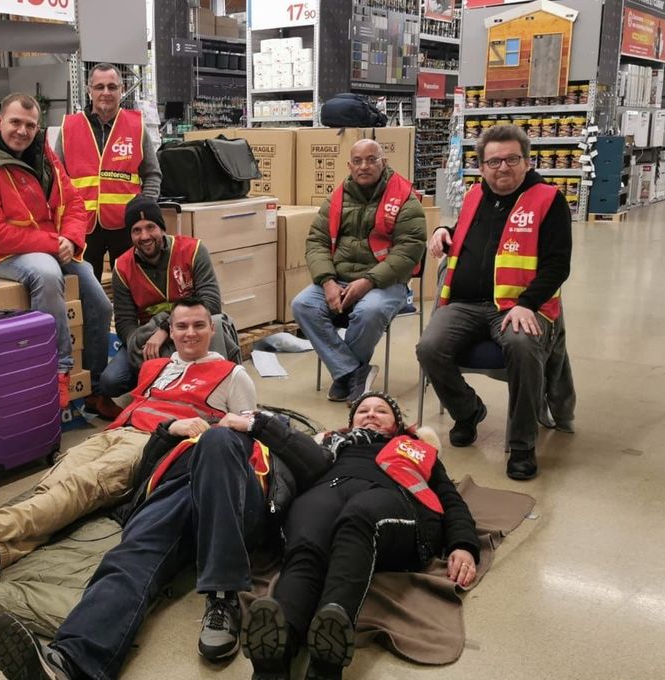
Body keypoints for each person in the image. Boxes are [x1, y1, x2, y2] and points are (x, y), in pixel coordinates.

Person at [0, 297, 256, 584]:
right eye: (181, 326)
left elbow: (245, 434)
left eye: (199, 325)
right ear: (171, 330)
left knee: (81, 486)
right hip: (116, 431)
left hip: (153, 445)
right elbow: (132, 375)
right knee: (56, 480)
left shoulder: (232, 374)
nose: (190, 333)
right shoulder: (158, 366)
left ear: (213, 328)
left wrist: (202, 426)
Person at [0, 391, 331, 680]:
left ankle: (223, 597)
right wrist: (169, 430)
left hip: (240, 502)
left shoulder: (267, 435)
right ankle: (69, 662)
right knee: (128, 560)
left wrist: (255, 424)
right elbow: (142, 474)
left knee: (218, 441)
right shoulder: (194, 433)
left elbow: (318, 465)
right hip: (174, 495)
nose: (235, 415)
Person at [240, 393, 479, 680]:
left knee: (359, 518)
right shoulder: (328, 444)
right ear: (351, 422)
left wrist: (463, 544)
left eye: (382, 411)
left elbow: (451, 499)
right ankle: (279, 647)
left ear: (397, 424)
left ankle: (329, 648)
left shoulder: (417, 449)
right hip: (327, 490)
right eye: (363, 410)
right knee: (307, 540)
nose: (371, 414)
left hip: (389, 496)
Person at [416, 124, 572, 481]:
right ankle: (469, 411)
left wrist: (527, 304)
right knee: (429, 347)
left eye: (512, 159)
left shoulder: (549, 200)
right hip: (466, 303)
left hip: (519, 307)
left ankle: (521, 445)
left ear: (527, 162)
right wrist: (446, 232)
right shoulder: (475, 195)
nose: (503, 168)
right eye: (494, 161)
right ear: (482, 166)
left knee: (522, 347)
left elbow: (557, 265)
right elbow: (474, 235)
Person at [0, 93, 116, 415]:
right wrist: (54, 243)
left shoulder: (45, 158)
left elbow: (74, 203)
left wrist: (70, 236)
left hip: (52, 244)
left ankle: (95, 388)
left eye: (30, 125)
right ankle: (58, 371)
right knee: (46, 273)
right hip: (6, 254)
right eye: (15, 122)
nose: (22, 131)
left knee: (99, 302)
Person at [292, 139, 426, 406]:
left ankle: (344, 374)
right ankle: (353, 371)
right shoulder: (337, 197)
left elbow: (409, 251)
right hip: (338, 278)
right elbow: (316, 241)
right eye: (358, 161)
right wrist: (327, 281)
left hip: (386, 282)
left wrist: (368, 281)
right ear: (349, 165)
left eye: (371, 159)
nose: (364, 166)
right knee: (302, 305)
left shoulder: (404, 199)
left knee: (370, 311)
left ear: (383, 162)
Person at [99, 195, 223, 397]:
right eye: (136, 230)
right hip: (149, 339)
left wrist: (166, 329)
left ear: (162, 228)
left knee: (216, 322)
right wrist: (141, 349)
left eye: (150, 227)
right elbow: (125, 325)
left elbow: (211, 304)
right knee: (111, 382)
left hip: (190, 331)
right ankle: (158, 381)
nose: (145, 236)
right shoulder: (122, 267)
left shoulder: (193, 251)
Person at [56, 63, 162, 282]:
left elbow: (152, 174)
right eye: (100, 87)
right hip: (82, 227)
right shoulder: (69, 127)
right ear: (89, 90)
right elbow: (56, 178)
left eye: (112, 87)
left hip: (126, 225)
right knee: (86, 291)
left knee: (132, 286)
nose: (106, 92)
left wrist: (144, 209)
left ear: (121, 90)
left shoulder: (136, 126)